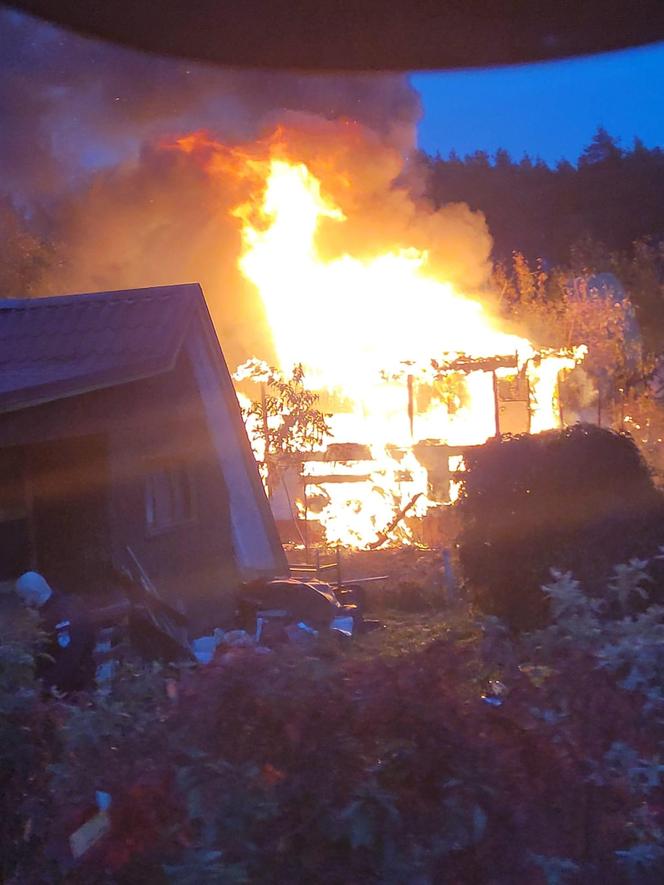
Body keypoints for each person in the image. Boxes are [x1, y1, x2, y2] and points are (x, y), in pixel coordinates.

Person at [15, 571, 96, 694]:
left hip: (71, 687)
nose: (23, 604)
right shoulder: (60, 607)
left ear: (33, 593)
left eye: (23, 598)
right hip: (63, 681)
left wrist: (43, 685)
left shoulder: (63, 616)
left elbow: (69, 659)